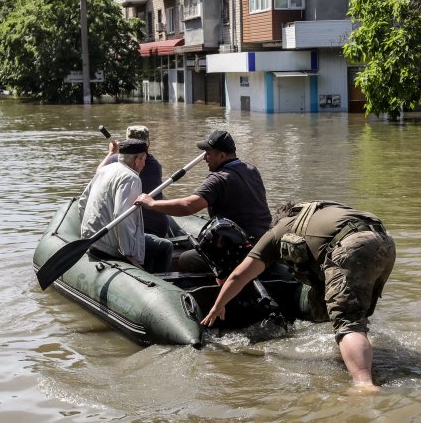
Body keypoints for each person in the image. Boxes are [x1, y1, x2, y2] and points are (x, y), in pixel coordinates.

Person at [200, 201, 395, 391]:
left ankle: (363, 384)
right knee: (356, 314)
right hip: (384, 241)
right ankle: (356, 357)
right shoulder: (319, 211)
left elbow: (239, 275)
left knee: (348, 322)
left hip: (352, 247)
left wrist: (218, 305)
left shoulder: (277, 231)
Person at [135, 129, 271, 273]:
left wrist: (151, 203)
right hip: (263, 243)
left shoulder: (218, 179)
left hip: (238, 249)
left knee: (183, 259)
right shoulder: (252, 170)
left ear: (222, 155)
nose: (205, 158)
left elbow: (189, 206)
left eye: (208, 154)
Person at [80, 138, 174, 273]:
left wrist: (87, 235)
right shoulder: (131, 178)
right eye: (144, 160)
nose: (144, 165)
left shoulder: (104, 170)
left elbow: (83, 202)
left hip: (93, 240)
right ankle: (157, 281)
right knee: (165, 246)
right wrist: (128, 252)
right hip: (111, 246)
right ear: (137, 160)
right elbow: (122, 216)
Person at [97, 125, 170, 237]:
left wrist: (111, 152)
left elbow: (98, 175)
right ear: (148, 143)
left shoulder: (114, 160)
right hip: (156, 228)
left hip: (137, 229)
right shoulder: (155, 165)